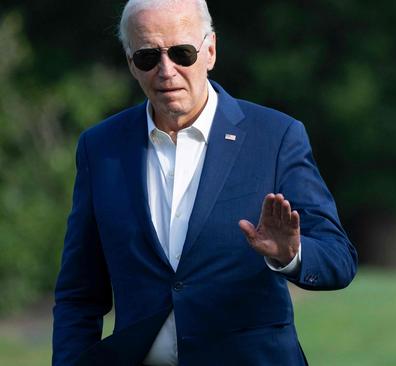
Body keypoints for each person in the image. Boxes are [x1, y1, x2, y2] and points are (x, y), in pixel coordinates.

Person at [52, 0, 357, 365]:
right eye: (148, 57)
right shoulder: (100, 148)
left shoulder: (275, 137)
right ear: (131, 63)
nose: (167, 71)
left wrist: (289, 254)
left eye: (182, 53)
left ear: (209, 51)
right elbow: (79, 294)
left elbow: (339, 258)